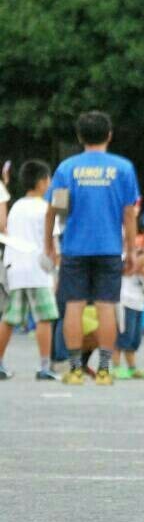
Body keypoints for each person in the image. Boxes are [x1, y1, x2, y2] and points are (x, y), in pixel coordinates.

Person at [43, 111, 140, 386]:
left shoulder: (67, 168)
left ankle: (75, 370)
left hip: (74, 247)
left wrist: (49, 244)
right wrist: (131, 250)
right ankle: (105, 370)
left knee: (73, 305)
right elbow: (129, 213)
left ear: (79, 136)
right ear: (109, 135)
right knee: (106, 306)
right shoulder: (122, 168)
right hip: (109, 248)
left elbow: (56, 210)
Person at [0, 161, 58, 381]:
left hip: (15, 269)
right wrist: (55, 267)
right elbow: (52, 243)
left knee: (10, 318)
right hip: (38, 270)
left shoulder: (16, 207)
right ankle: (44, 366)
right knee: (44, 317)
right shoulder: (46, 208)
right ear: (43, 182)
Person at [112, 234, 144, 380]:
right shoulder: (123, 257)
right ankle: (116, 367)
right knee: (121, 335)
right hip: (124, 300)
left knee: (134, 338)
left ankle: (132, 368)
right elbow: (135, 268)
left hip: (138, 302)